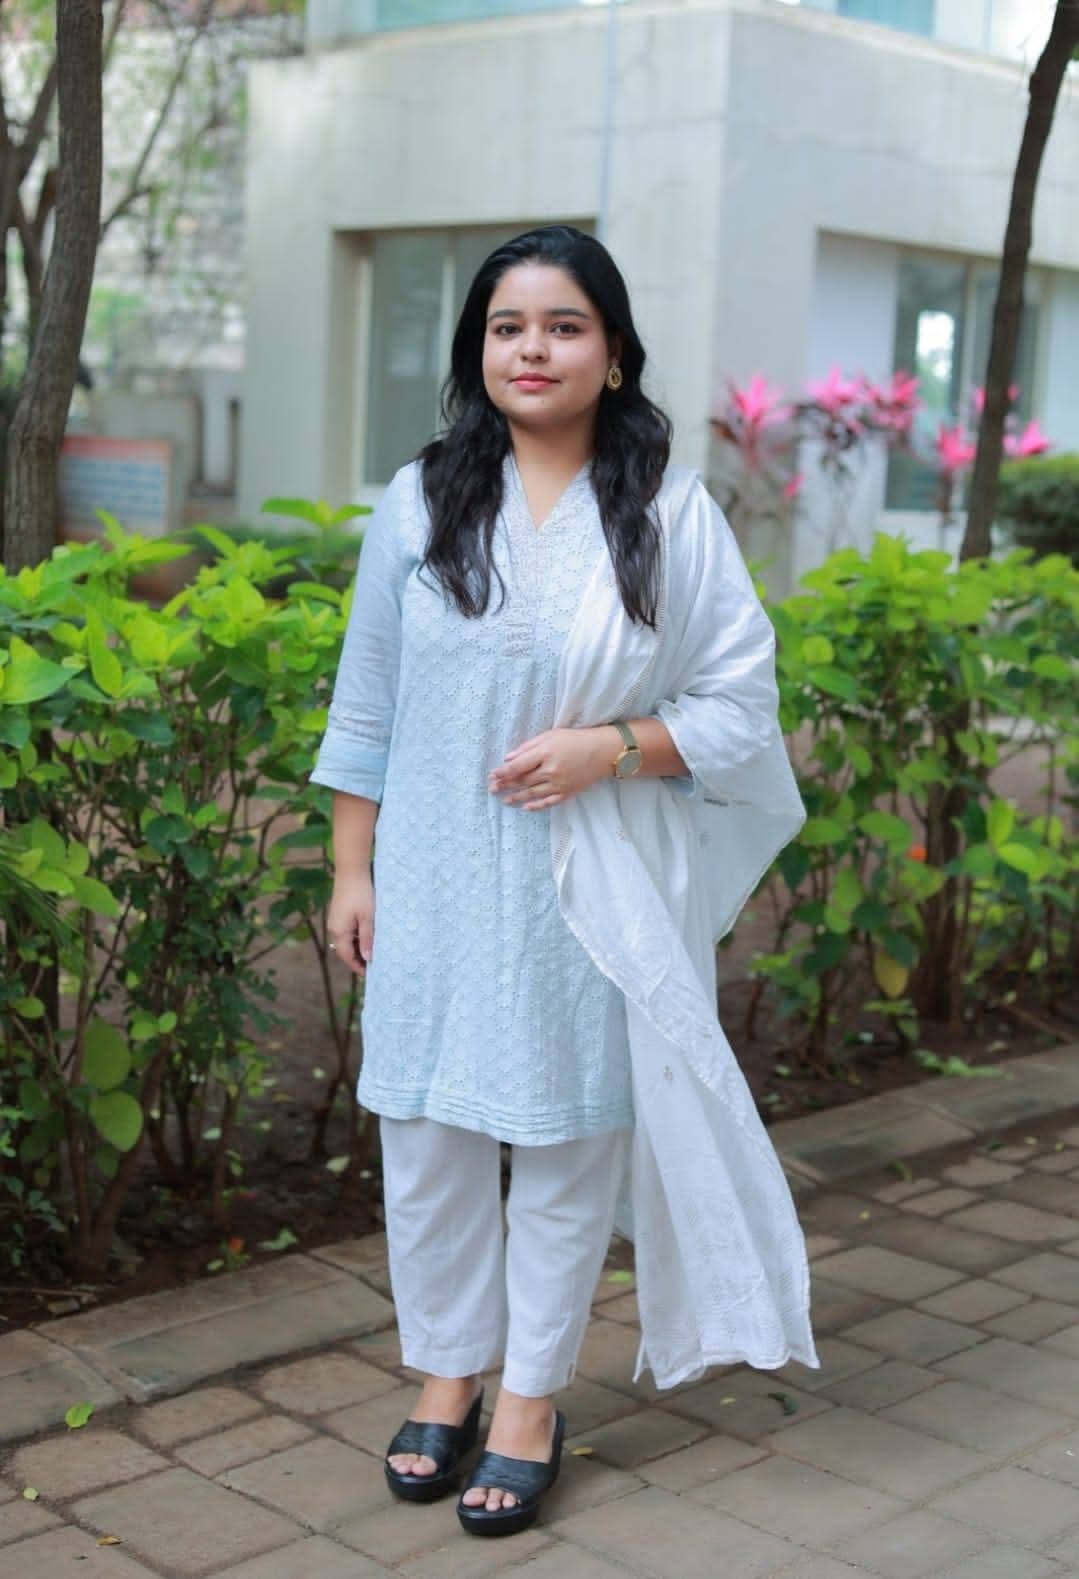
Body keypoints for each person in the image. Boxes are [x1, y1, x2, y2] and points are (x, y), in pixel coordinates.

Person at [311, 224, 818, 1540]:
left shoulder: (669, 513)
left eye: (563, 325)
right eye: (507, 327)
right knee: (426, 1139)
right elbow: (367, 701)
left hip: (585, 890)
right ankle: (444, 1375)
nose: (531, 349)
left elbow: (741, 705)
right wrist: (353, 867)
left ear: (614, 352)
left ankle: (530, 1400)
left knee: (562, 1144)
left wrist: (616, 747)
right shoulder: (420, 501)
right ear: (478, 350)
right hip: (431, 876)